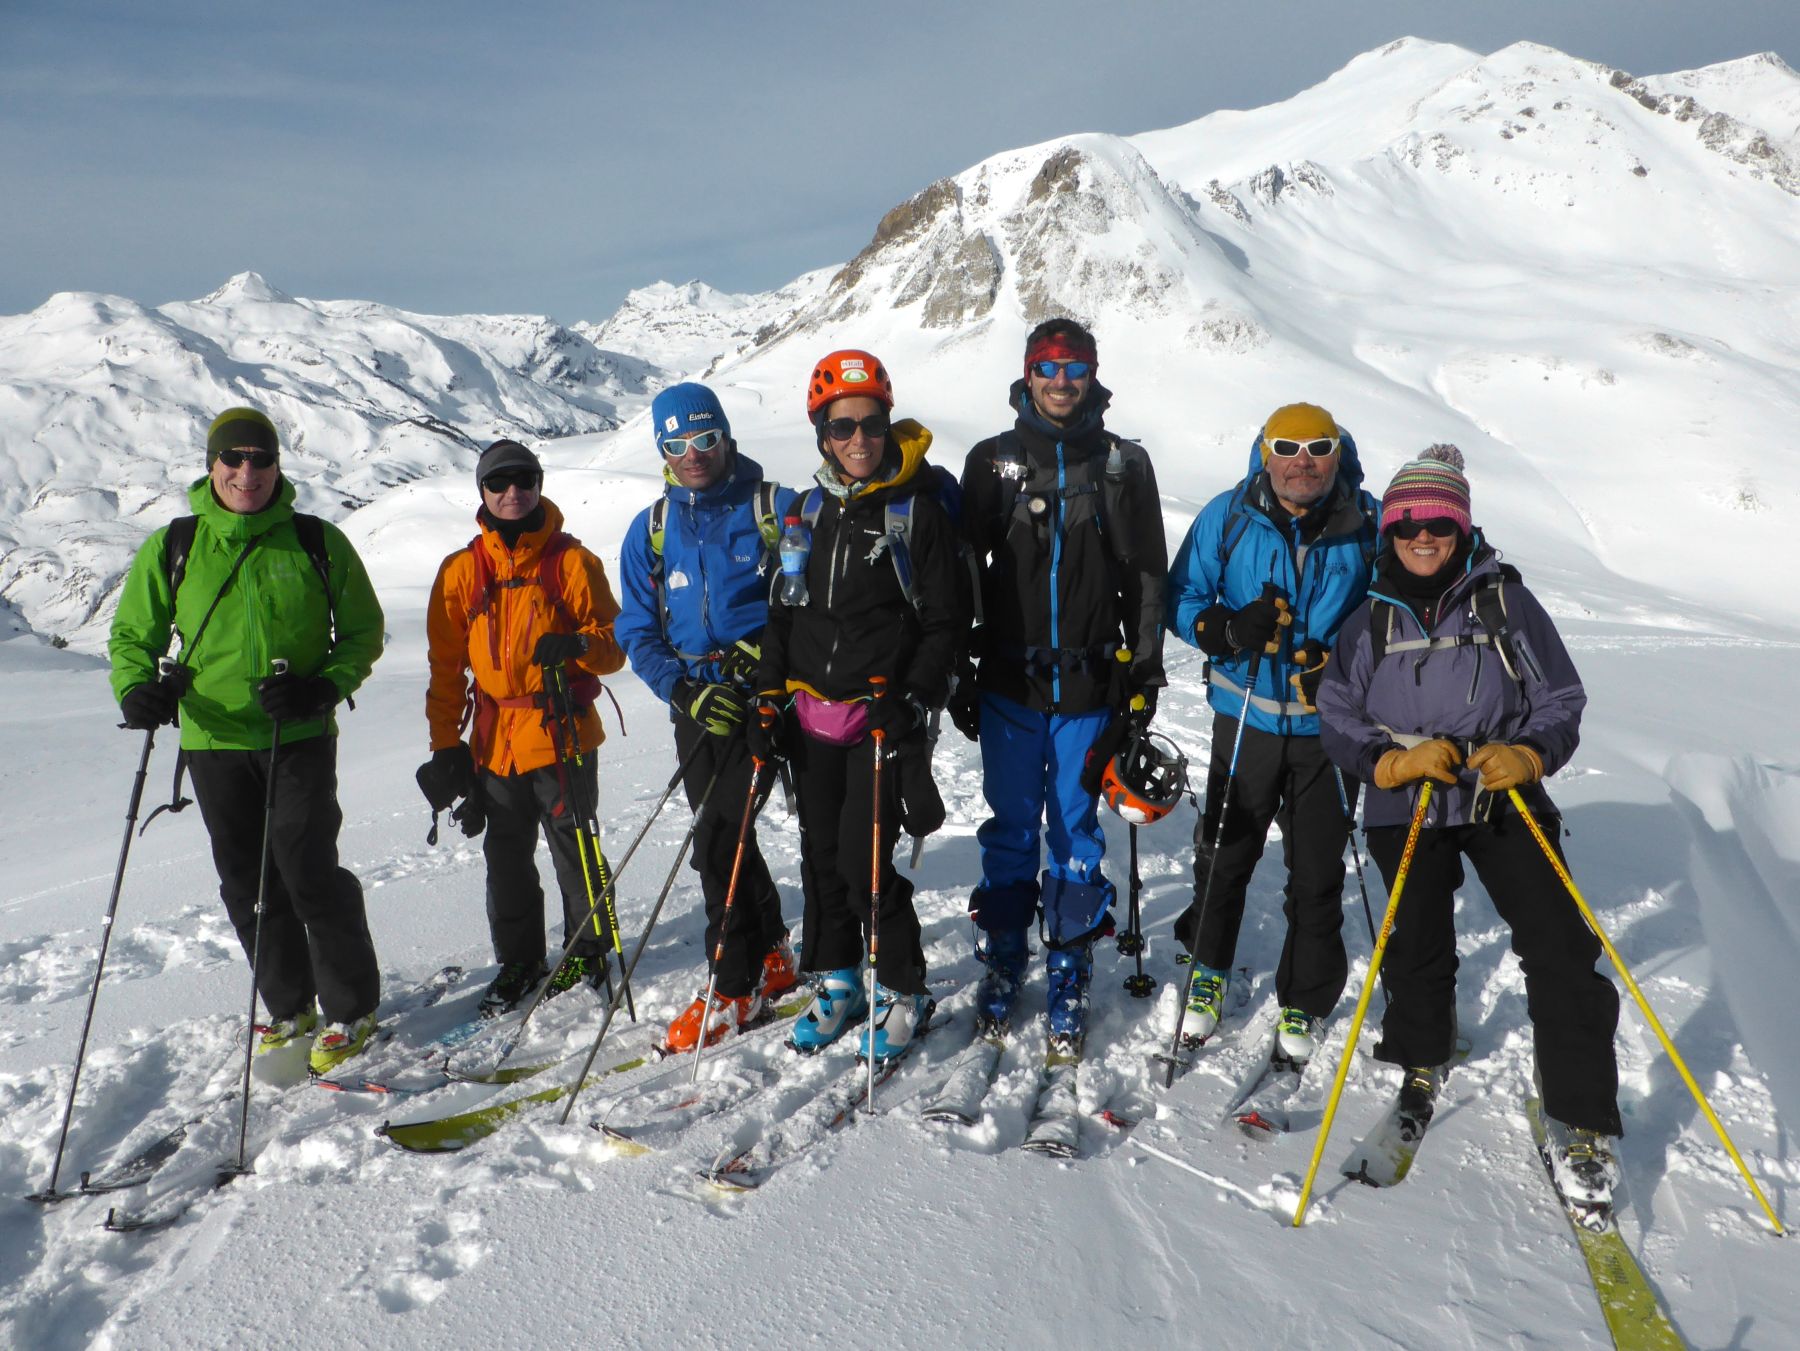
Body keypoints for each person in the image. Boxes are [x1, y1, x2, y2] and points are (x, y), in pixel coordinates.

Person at [1315, 444, 1620, 1205]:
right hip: (1409, 798)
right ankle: (1422, 1058)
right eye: (1409, 522)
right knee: (1415, 942)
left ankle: (1579, 1114)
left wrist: (1531, 751)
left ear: (1463, 527)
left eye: (1440, 523)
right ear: (1389, 530)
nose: (1424, 536)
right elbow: (1336, 712)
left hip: (1499, 791)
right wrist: (1385, 765)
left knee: (1559, 941)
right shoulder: (1367, 619)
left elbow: (1561, 697)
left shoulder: (1504, 603)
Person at [109, 406, 385, 1074]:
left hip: (300, 735)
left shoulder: (316, 541)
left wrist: (326, 685)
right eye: (234, 459)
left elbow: (362, 630)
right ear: (213, 465)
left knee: (308, 867)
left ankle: (352, 1010)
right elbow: (131, 636)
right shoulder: (175, 545)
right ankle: (291, 1007)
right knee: (247, 883)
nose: (247, 472)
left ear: (277, 466)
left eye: (261, 459)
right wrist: (136, 690)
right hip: (212, 739)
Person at [953, 318, 1167, 1054]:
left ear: (1093, 374)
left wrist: (1143, 671)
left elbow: (1146, 576)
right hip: (1009, 680)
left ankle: (1069, 961)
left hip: (1087, 684)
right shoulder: (991, 462)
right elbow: (958, 572)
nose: (1061, 381)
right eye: (1048, 367)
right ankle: (1008, 954)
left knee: (1076, 831)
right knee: (1010, 827)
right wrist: (957, 667)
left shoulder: (1122, 464)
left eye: (1075, 368)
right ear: (1027, 373)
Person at [749, 350, 962, 1062]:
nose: (859, 439)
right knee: (818, 857)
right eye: (843, 426)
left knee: (862, 859)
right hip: (810, 719)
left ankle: (905, 987)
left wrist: (912, 700)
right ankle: (839, 978)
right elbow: (784, 612)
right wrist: (770, 697)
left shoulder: (913, 512)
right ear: (822, 432)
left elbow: (943, 625)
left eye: (872, 423)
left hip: (878, 720)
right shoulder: (806, 511)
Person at [1164, 402, 1378, 1064]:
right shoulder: (1227, 516)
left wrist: (1342, 662)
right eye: (1287, 446)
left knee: (1315, 871)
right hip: (1246, 716)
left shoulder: (1365, 524)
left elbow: (1393, 615)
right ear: (1264, 452)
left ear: (1337, 454)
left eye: (1319, 447)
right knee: (1223, 854)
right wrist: (1226, 630)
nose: (1302, 461)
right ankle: (1207, 970)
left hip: (1327, 733)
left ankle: (1306, 996)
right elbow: (1181, 597)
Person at [616, 383, 799, 1053]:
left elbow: (816, 597)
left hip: (768, 699)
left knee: (718, 838)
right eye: (676, 445)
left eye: (704, 440)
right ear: (662, 450)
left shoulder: (774, 508)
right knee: (726, 831)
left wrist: (770, 654)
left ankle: (734, 984)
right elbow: (636, 627)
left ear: (725, 437)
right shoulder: (653, 528)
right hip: (698, 703)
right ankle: (773, 949)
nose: (693, 455)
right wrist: (680, 689)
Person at [424, 439, 627, 1017]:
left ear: (539, 484)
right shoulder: (462, 571)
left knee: (575, 847)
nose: (513, 492)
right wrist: (445, 747)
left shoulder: (571, 562)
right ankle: (520, 961)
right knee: (505, 854)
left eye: (525, 480)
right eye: (499, 482)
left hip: (562, 730)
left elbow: (615, 649)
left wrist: (581, 645)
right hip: (494, 741)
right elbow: (445, 669)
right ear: (482, 492)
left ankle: (587, 951)